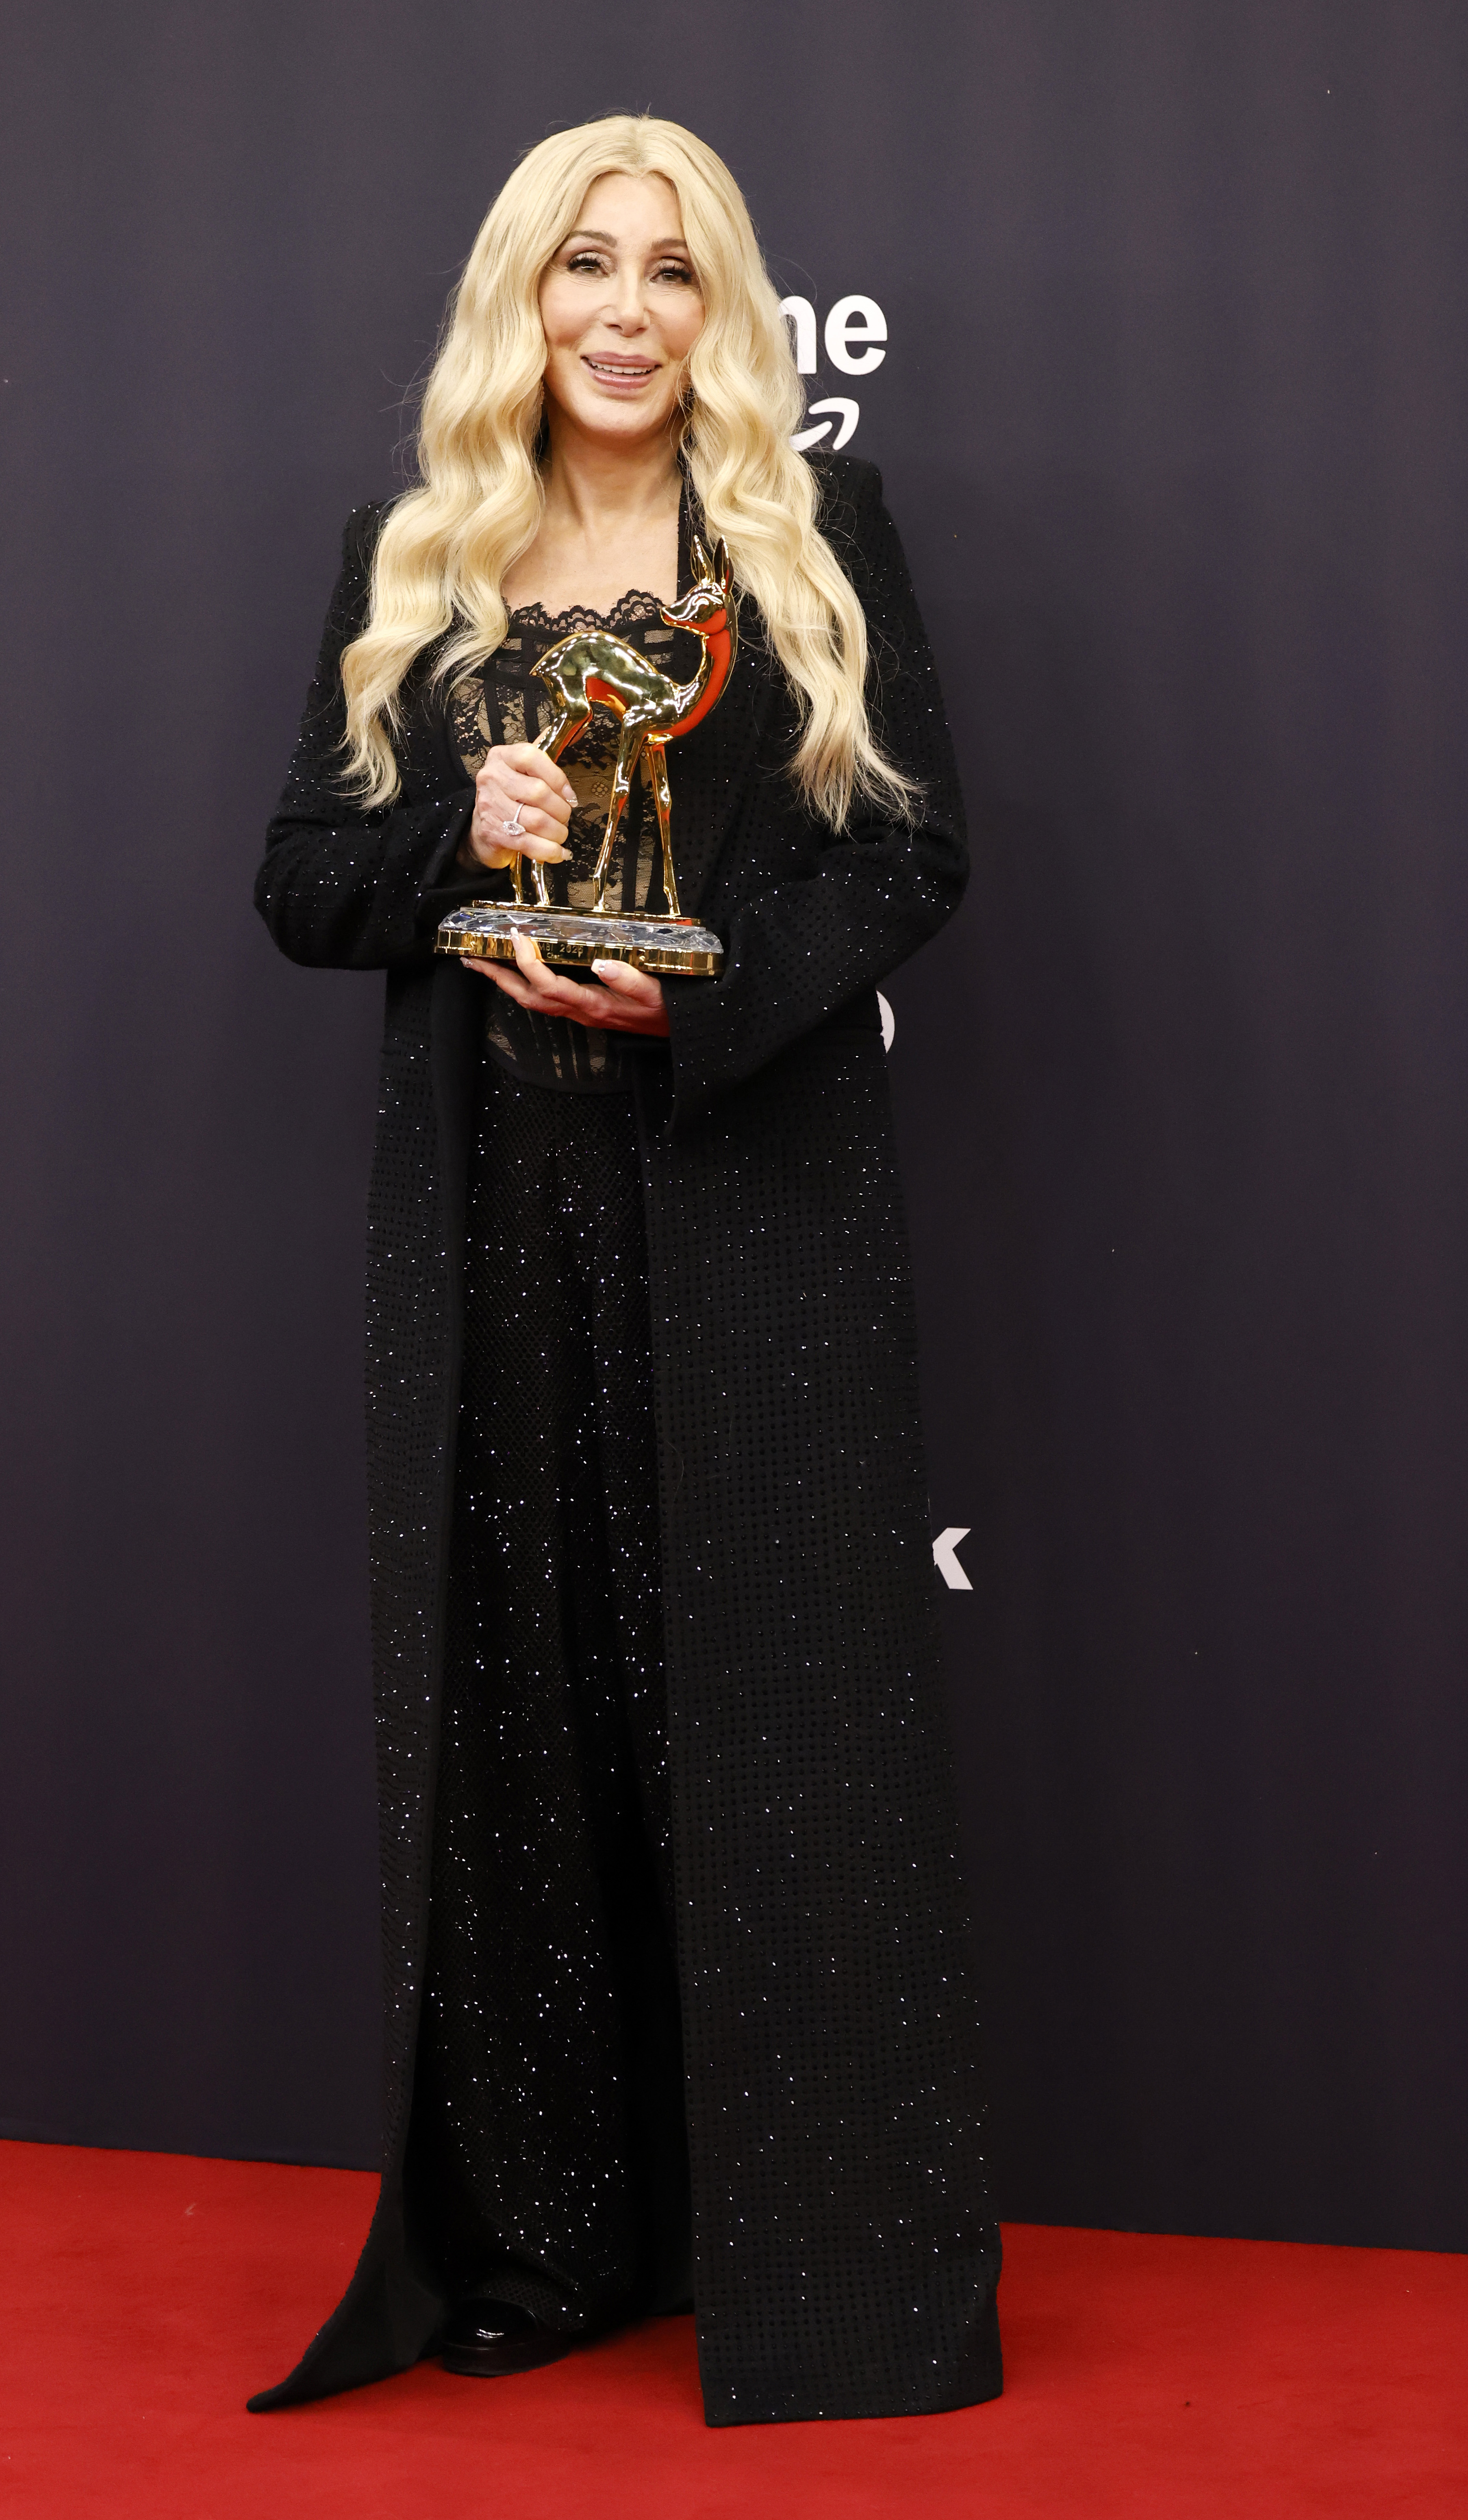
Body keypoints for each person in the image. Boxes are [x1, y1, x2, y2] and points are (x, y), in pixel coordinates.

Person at [248, 113, 1002, 2429]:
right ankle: (549, 2242)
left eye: (673, 274)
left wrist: (693, 989)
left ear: (722, 317)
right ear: (523, 295)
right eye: (586, 264)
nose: (625, 310)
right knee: (525, 1726)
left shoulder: (807, 541)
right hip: (496, 1232)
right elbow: (300, 888)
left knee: (770, 1736)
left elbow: (910, 861)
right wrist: (436, 830)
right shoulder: (422, 562)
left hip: (747, 1207)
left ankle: (812, 2267)